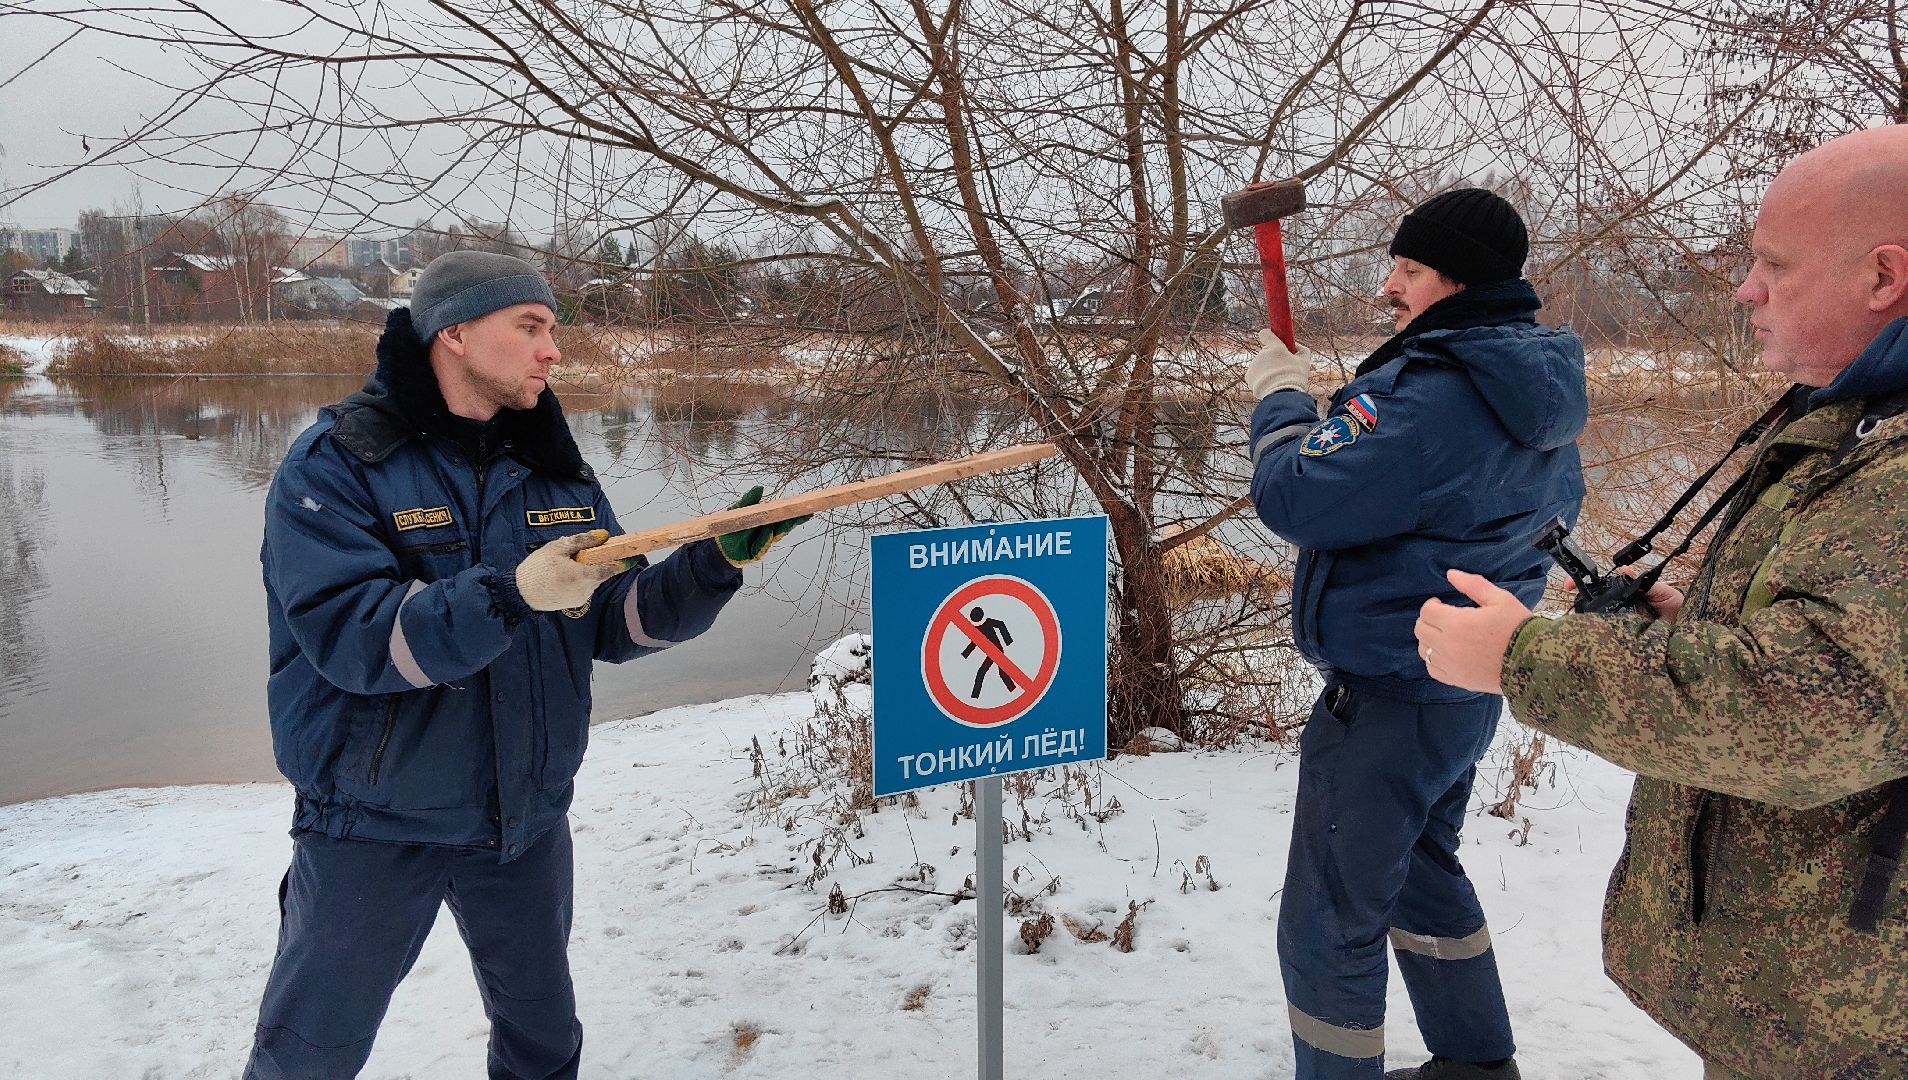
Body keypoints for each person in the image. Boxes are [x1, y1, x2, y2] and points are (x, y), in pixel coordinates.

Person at [1414, 127, 1908, 1079]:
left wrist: (1522, 659)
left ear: (1884, 277)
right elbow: (1856, 661)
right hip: (1811, 1015)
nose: (1744, 290)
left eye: (1773, 264)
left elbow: (1812, 710)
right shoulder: (1856, 418)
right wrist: (1692, 631)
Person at [244, 251, 802, 1079]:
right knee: (309, 1053)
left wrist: (711, 562)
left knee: (543, 1043)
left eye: (552, 330)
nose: (553, 352)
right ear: (457, 334)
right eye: (531, 328)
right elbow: (357, 638)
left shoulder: (553, 470)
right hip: (372, 816)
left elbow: (612, 622)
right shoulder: (337, 466)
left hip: (523, 816)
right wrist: (510, 593)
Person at [1244, 188, 1587, 1080]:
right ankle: (1477, 1065)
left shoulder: (1431, 397)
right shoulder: (1533, 387)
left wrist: (1282, 403)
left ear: (1456, 282)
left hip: (1390, 695)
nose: (1388, 286)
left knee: (1330, 915)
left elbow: (1292, 497)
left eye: (1408, 270)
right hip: (1461, 687)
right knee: (1426, 872)